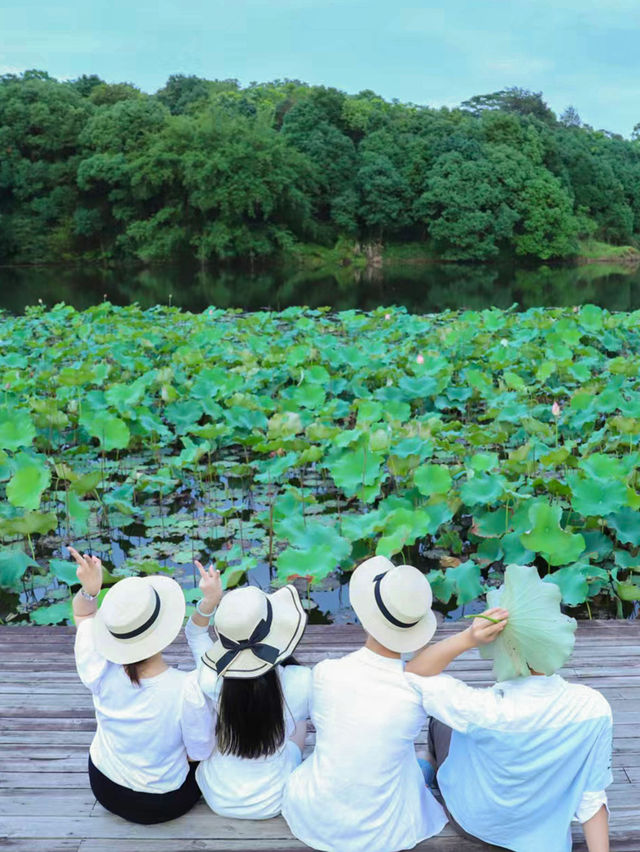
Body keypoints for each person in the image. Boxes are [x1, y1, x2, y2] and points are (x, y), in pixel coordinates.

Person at [281, 555, 507, 852]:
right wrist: (469, 637)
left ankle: (424, 762)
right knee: (421, 763)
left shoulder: (325, 672)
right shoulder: (417, 689)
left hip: (318, 815)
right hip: (381, 829)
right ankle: (427, 761)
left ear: (365, 615)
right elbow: (417, 671)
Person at [405, 568, 612, 852]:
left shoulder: (480, 708)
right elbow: (592, 796)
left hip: (475, 823)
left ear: (505, 646)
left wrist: (468, 637)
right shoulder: (594, 708)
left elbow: (414, 673)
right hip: (543, 837)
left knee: (442, 722)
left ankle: (424, 763)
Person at [69, 546, 215, 824]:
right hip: (162, 801)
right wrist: (208, 604)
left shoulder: (97, 665)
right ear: (163, 632)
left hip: (104, 785)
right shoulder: (186, 689)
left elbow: (84, 617)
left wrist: (90, 589)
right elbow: (200, 753)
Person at [183, 561, 311, 819]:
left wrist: (210, 600)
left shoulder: (209, 677)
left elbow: (194, 634)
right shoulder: (301, 681)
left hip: (217, 794)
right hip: (275, 797)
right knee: (300, 727)